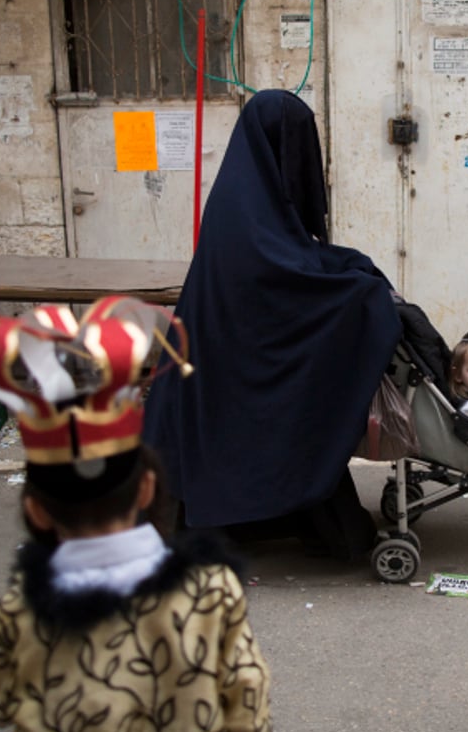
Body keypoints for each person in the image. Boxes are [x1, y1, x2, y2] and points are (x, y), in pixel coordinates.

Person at [0, 297, 273, 732]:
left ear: (36, 511)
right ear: (146, 489)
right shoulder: (211, 593)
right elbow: (248, 708)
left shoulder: (19, 612)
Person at [142, 90, 401, 561]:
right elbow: (284, 281)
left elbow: (293, 259)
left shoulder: (247, 197)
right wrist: (360, 292)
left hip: (221, 366)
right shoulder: (248, 213)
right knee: (362, 305)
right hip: (232, 363)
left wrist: (353, 268)